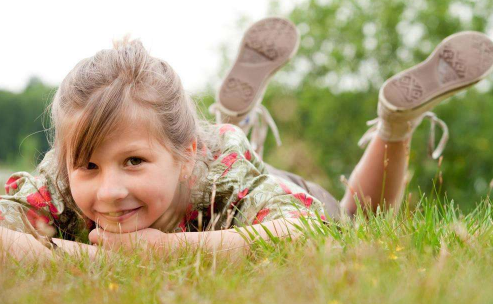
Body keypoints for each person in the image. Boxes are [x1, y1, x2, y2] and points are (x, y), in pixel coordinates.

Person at [1, 17, 492, 260]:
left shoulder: (220, 171)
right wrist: (85, 259)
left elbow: (301, 233)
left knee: (357, 220)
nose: (108, 190)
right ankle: (234, 112)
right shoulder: (60, 177)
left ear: (187, 157)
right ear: (67, 158)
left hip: (269, 189)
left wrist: (164, 250)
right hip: (210, 163)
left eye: (133, 161)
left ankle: (394, 123)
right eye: (88, 165)